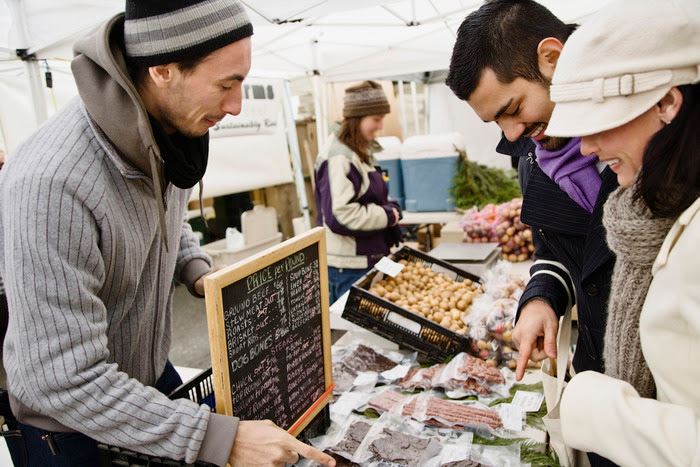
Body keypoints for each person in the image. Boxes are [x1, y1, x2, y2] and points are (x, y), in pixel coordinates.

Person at [0, 2, 335, 466]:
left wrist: (197, 270)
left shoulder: (163, 133)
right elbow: (60, 378)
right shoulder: (53, 183)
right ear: (161, 70)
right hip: (70, 430)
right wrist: (222, 440)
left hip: (148, 377)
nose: (237, 106)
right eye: (226, 84)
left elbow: (165, 218)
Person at [446, 4, 619, 464]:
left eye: (514, 109)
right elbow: (557, 247)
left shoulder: (647, 136)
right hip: (602, 385)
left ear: (553, 59)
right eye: (497, 123)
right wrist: (542, 298)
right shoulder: (536, 155)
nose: (515, 132)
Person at [541, 0, 700, 464]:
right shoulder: (659, 211)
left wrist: (592, 404)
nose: (586, 147)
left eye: (597, 123)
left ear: (668, 102)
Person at [315, 81, 402, 303]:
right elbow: (340, 215)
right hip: (349, 267)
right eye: (376, 119)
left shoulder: (359, 149)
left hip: (367, 258)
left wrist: (389, 206)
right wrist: (388, 215)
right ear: (357, 118)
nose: (380, 126)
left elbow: (370, 195)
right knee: (354, 335)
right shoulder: (339, 157)